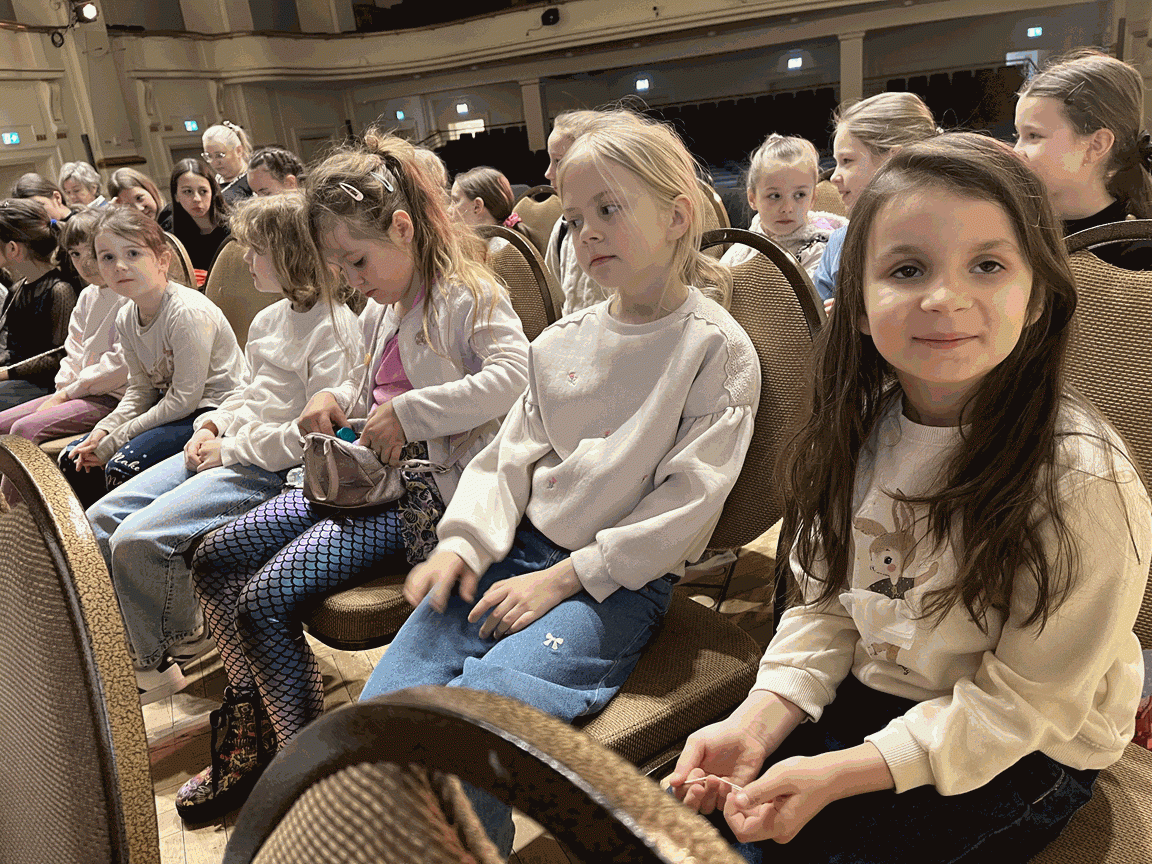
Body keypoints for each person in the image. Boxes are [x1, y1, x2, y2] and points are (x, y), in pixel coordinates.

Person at [667, 133, 1151, 864]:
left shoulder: (1081, 480)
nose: (944, 297)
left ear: (1037, 296)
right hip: (885, 695)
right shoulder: (857, 431)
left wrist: (839, 773)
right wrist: (760, 718)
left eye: (987, 265)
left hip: (1030, 746)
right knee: (697, 833)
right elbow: (827, 605)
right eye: (906, 269)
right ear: (858, 306)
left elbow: (1030, 703)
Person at [358, 112, 761, 857]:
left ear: (678, 217)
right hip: (515, 553)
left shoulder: (714, 350)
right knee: (385, 715)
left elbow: (686, 508)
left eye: (609, 209)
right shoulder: (561, 341)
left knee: (473, 729)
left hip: (614, 584)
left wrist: (564, 579)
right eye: (575, 219)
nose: (587, 233)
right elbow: (505, 461)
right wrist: (462, 544)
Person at [176, 130, 531, 821]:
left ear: (403, 228)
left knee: (263, 598)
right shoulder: (382, 309)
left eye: (357, 260)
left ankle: (314, 768)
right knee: (213, 557)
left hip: (425, 499)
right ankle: (255, 734)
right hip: (366, 483)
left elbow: (516, 378)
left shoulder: (469, 294)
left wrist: (412, 413)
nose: (350, 278)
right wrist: (334, 396)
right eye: (339, 266)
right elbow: (370, 390)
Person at [84, 192, 361, 706]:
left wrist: (230, 449)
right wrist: (211, 425)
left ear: (290, 255)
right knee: (97, 521)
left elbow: (311, 436)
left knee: (137, 539)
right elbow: (248, 393)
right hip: (237, 447)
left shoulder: (337, 327)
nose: (245, 259)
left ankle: (164, 652)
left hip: (272, 469)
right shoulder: (269, 318)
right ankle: (146, 641)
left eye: (257, 250)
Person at [59, 208, 246, 507]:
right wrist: (103, 429)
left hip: (211, 409)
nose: (119, 266)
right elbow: (140, 390)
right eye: (107, 257)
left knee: (121, 467)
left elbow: (184, 400)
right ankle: (84, 538)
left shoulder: (187, 312)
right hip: (170, 407)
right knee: (73, 459)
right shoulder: (126, 317)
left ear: (162, 260)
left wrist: (116, 439)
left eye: (133, 253)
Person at [0, 208, 126, 455]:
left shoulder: (126, 295)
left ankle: (29, 483)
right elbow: (73, 352)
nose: (85, 263)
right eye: (75, 254)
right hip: (77, 391)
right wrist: (63, 391)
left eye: (93, 252)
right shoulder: (88, 296)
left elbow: (118, 365)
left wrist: (67, 394)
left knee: (23, 429)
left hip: (113, 396)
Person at [1015, 48, 1152, 268]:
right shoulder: (1015, 230)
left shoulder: (1138, 257)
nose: (1016, 151)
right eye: (1017, 136)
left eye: (1033, 136)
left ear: (1097, 145)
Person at [813, 92, 938, 303]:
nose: (833, 177)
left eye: (847, 161)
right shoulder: (838, 243)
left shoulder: (950, 233)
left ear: (894, 162)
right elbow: (812, 319)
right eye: (836, 162)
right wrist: (835, 320)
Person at [721, 133, 847, 275]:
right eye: (775, 196)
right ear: (752, 198)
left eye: (799, 195)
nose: (787, 208)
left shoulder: (822, 251)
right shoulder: (742, 249)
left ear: (813, 198)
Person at [0, 199, 79, 412]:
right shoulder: (16, 289)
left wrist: (6, 372)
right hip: (15, 378)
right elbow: (12, 348)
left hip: (45, 384)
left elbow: (58, 357)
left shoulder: (60, 290)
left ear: (13, 248)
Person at [447, 166, 537, 254]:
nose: (448, 210)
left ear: (477, 206)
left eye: (455, 201)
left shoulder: (499, 252)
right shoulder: (478, 245)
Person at [169, 159, 230, 283]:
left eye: (203, 191)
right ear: (176, 196)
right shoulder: (172, 232)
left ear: (213, 192)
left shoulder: (233, 228)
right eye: (188, 192)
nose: (196, 199)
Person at [202, 122, 254, 204]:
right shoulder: (210, 184)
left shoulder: (254, 180)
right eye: (209, 156)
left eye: (220, 155)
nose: (214, 162)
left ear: (238, 151)